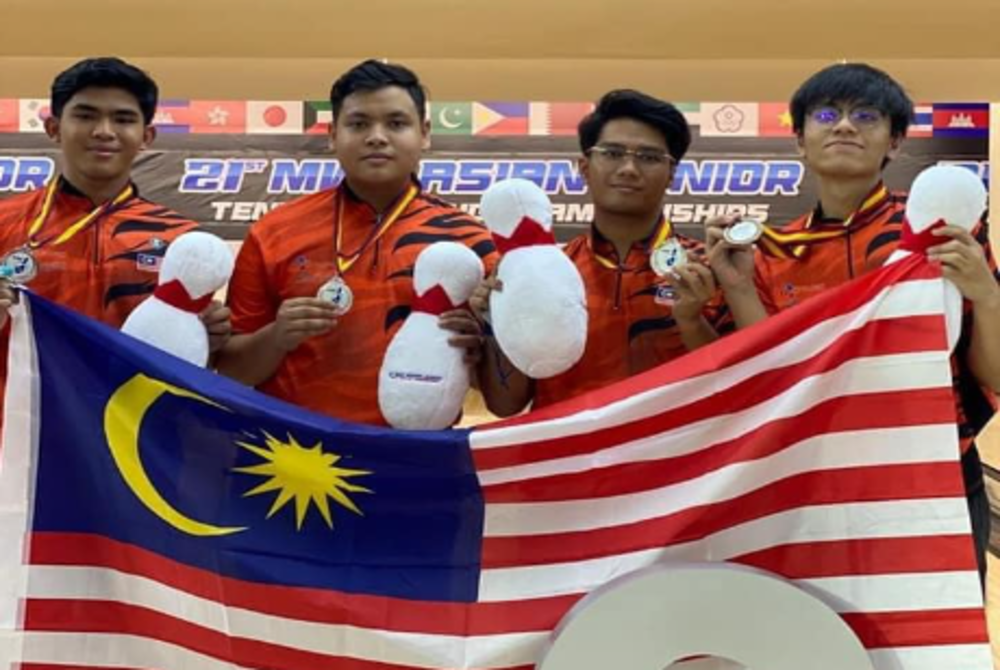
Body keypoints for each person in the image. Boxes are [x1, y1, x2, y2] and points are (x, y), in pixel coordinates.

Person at [707, 63, 1000, 581]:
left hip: (933, 477)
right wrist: (735, 286)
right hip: (808, 477)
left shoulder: (942, 232)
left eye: (866, 116)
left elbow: (994, 379)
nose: (844, 126)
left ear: (894, 142)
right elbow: (773, 375)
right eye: (827, 114)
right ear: (799, 139)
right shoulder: (772, 251)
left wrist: (986, 294)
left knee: (931, 651)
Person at [217, 59, 497, 426]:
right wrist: (278, 336)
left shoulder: (470, 239)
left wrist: (482, 347)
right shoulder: (274, 231)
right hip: (295, 460)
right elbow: (232, 372)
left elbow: (502, 394)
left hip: (422, 461)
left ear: (425, 133)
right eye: (358, 123)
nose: (376, 136)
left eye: (396, 123)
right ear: (333, 134)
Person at [474, 89, 726, 417]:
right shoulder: (545, 271)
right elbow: (505, 404)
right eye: (612, 153)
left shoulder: (709, 269)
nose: (629, 169)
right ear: (583, 167)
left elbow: (736, 389)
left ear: (672, 174)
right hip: (565, 459)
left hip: (676, 461)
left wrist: (691, 321)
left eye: (649, 157)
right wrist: (499, 323)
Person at [0, 57, 230, 398]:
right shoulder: (6, 220)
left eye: (123, 119)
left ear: (146, 136)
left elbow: (197, 364)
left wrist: (211, 335)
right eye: (85, 115)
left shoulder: (181, 239)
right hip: (20, 434)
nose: (104, 131)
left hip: (129, 437)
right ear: (53, 128)